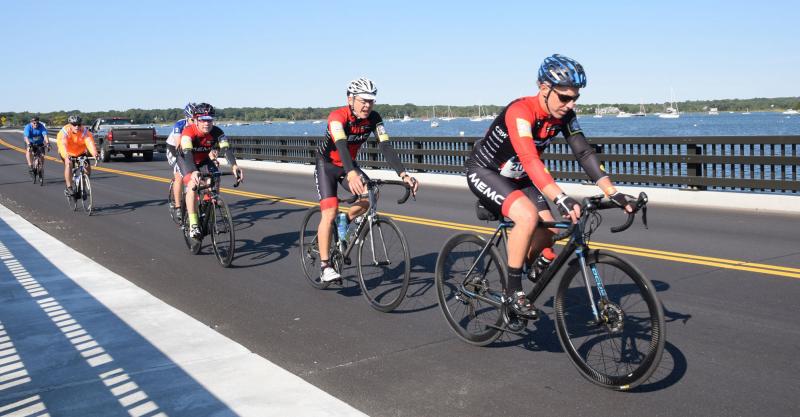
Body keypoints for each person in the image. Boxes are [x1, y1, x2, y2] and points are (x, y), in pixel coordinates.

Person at [464, 54, 632, 318]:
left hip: (519, 178)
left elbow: (584, 153)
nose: (570, 104)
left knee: (552, 229)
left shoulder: (564, 116)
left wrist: (614, 192)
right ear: (544, 88)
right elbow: (530, 158)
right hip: (485, 171)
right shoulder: (520, 111)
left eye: (575, 98)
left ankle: (528, 262)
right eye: (564, 97)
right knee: (527, 216)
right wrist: (560, 197)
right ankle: (513, 292)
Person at [315, 77, 420, 282]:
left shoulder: (374, 118)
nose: (367, 105)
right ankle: (325, 265)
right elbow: (342, 145)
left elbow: (385, 147)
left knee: (373, 192)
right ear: (350, 99)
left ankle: (346, 219)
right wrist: (352, 172)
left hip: (348, 165)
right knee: (329, 212)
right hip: (327, 165)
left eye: (371, 101)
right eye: (363, 100)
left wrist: (403, 174)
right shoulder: (337, 117)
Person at [177, 103, 244, 239]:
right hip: (186, 160)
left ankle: (209, 202)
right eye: (202, 119)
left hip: (202, 159)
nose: (206, 123)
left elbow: (226, 149)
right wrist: (192, 171)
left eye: (209, 119)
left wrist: (234, 166)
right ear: (195, 120)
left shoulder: (217, 132)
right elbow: (188, 153)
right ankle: (194, 224)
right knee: (193, 185)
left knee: (216, 177)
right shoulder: (188, 132)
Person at [166, 102, 196, 221]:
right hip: (174, 148)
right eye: (193, 119)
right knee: (179, 176)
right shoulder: (180, 125)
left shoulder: (198, 126)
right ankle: (178, 207)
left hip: (188, 148)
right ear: (187, 118)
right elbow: (179, 145)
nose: (195, 122)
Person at [56, 115, 98, 197]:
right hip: (67, 152)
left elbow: (90, 143)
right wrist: (66, 156)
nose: (77, 126)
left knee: (87, 167)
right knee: (69, 164)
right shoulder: (64, 131)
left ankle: (82, 189)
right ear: (70, 124)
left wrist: (95, 154)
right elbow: (63, 145)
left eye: (79, 124)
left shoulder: (85, 132)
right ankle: (69, 187)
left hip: (80, 152)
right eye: (74, 124)